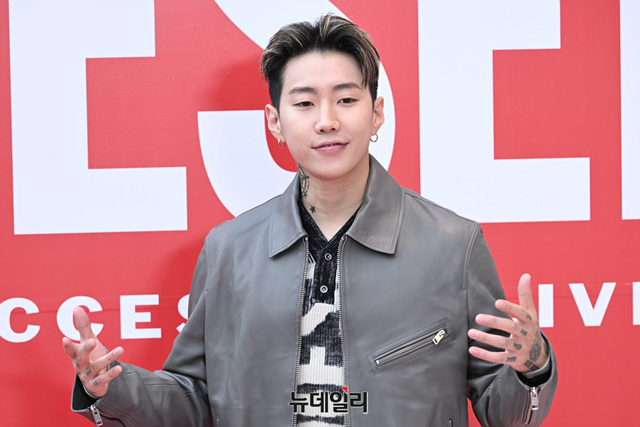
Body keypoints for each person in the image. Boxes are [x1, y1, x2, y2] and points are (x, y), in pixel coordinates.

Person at [63, 14, 557, 427]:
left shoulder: (452, 244)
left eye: (346, 99)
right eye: (304, 103)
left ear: (377, 113)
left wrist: (532, 366)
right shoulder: (229, 250)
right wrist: (112, 387)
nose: (326, 120)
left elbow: (504, 413)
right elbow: (194, 397)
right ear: (275, 122)